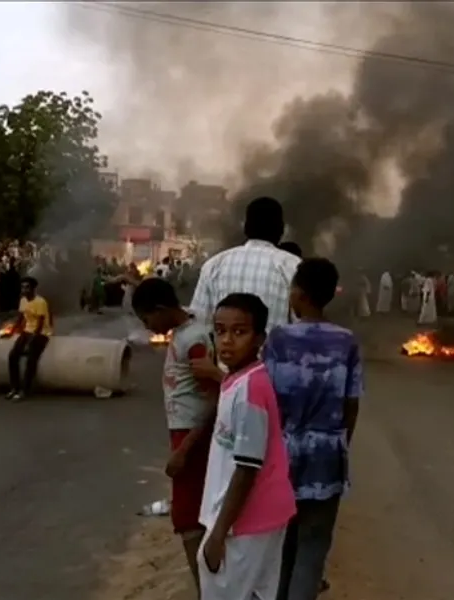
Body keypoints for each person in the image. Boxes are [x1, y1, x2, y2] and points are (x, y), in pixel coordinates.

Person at [263, 259, 363, 600]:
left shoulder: (278, 339)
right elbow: (352, 404)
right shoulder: (346, 342)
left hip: (283, 453)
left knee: (281, 545)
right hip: (327, 456)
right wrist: (339, 444)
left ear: (301, 295)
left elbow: (268, 400)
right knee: (313, 546)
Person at [199, 293, 296, 600]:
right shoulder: (237, 380)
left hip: (246, 521)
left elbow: (246, 469)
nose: (227, 340)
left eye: (239, 332)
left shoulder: (251, 388)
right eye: (220, 330)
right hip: (258, 516)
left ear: (259, 339)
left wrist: (218, 534)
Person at [131, 277, 218, 593]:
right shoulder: (189, 327)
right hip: (187, 435)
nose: (147, 325)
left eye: (146, 318)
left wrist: (184, 450)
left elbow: (214, 396)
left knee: (187, 518)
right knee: (191, 515)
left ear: (160, 309)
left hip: (194, 437)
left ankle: (206, 591)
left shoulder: (193, 340)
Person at [190, 197, 300, 335]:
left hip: (225, 356)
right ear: (281, 229)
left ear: (245, 227)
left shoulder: (213, 265)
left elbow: (200, 326)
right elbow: (301, 329)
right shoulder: (293, 266)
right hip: (276, 356)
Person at [6, 277, 52, 401]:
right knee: (12, 356)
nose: (24, 290)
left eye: (27, 287)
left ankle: (24, 390)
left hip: (41, 333)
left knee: (31, 358)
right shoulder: (23, 301)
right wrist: (12, 330)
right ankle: (14, 387)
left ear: (33, 289)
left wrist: (31, 340)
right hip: (27, 331)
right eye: (23, 287)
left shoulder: (40, 302)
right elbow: (21, 318)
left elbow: (41, 324)